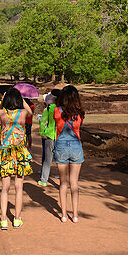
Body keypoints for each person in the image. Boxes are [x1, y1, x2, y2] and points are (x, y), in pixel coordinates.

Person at [0, 87, 33, 229]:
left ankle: (3, 219)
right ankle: (17, 218)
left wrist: (5, 99)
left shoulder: (1, 113)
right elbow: (30, 112)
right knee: (19, 187)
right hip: (20, 153)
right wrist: (21, 99)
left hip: (6, 152)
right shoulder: (23, 113)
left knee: (4, 188)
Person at [53, 86, 85, 223]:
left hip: (61, 145)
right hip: (76, 145)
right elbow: (78, 126)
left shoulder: (57, 110)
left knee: (63, 183)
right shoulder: (80, 113)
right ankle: (76, 214)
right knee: (74, 183)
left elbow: (57, 123)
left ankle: (64, 214)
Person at [38, 88, 62, 186]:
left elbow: (43, 122)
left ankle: (44, 180)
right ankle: (63, 180)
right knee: (60, 160)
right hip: (60, 136)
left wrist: (42, 132)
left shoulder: (49, 108)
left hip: (49, 135)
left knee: (47, 160)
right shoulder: (62, 108)